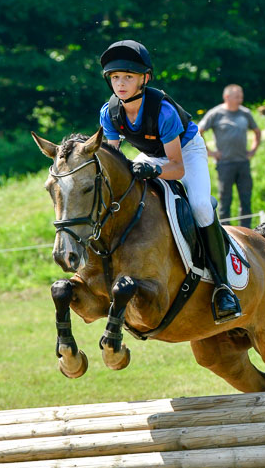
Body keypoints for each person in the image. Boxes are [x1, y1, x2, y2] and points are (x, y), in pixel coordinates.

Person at [99, 39, 241, 322]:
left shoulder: (162, 111)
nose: (121, 83)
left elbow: (175, 168)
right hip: (150, 154)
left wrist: (153, 172)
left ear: (145, 79)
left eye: (128, 76)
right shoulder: (109, 112)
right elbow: (113, 159)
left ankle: (223, 287)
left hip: (186, 153)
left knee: (200, 206)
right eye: (116, 77)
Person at [197, 84, 261, 229]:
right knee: (225, 200)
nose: (240, 99)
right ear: (227, 97)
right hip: (225, 164)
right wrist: (211, 152)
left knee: (246, 199)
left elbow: (257, 131)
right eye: (237, 96)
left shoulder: (245, 113)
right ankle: (226, 231)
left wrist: (253, 150)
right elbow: (199, 131)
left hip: (243, 163)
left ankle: (247, 230)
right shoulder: (216, 113)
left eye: (241, 96)